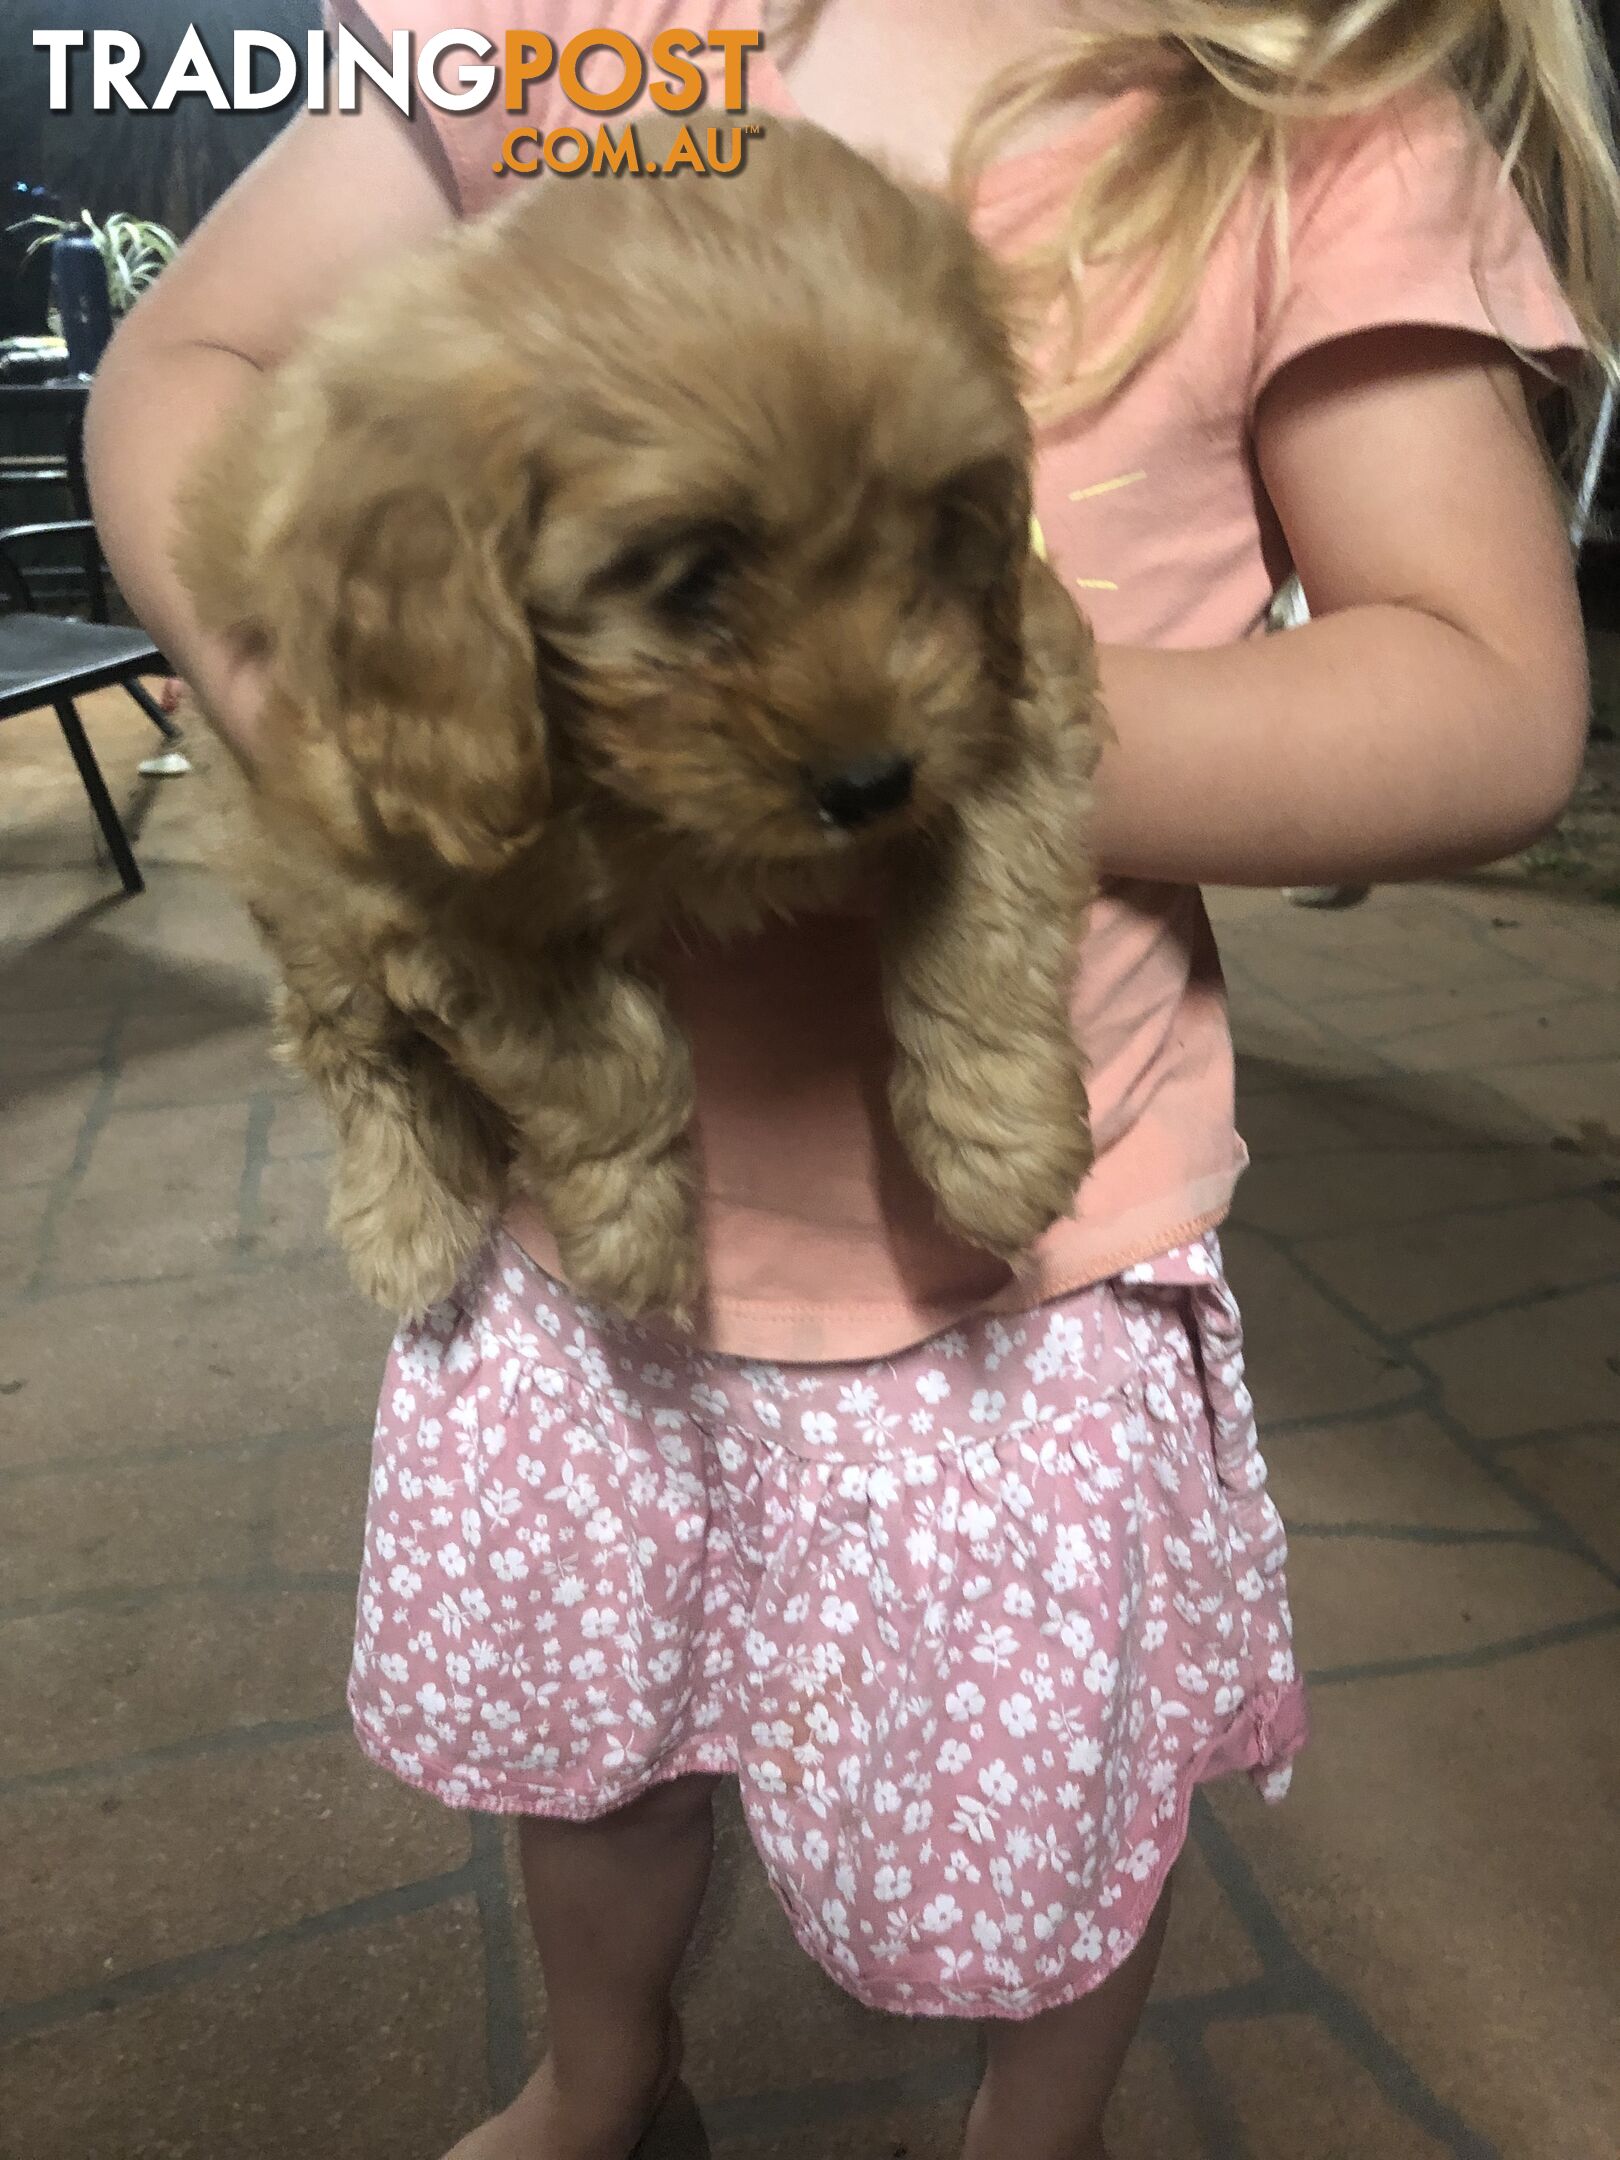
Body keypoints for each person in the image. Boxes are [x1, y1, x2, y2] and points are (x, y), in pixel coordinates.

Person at [84, 3, 1618, 2155]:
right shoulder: (628, 41)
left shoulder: (1287, 108)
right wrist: (339, 704)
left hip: (1019, 1272)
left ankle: (1037, 2133)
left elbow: (1487, 700)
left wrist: (952, 755)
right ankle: (604, 2084)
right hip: (580, 1215)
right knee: (591, 1746)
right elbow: (193, 373)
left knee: (1048, 1819)